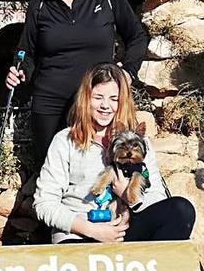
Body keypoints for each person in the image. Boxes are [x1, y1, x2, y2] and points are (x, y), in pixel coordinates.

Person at [6, 0, 150, 169]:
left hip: (97, 104)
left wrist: (127, 74)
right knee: (51, 171)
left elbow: (137, 36)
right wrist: (19, 71)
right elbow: (26, 51)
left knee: (100, 168)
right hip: (49, 105)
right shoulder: (40, 1)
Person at [33, 63, 195, 244]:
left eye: (113, 99)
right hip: (81, 234)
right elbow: (44, 203)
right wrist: (93, 230)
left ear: (122, 102)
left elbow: (156, 194)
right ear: (86, 99)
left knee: (180, 210)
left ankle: (151, 265)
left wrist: (129, 197)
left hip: (125, 229)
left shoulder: (139, 143)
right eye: (98, 97)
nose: (105, 106)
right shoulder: (65, 140)